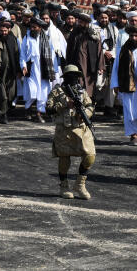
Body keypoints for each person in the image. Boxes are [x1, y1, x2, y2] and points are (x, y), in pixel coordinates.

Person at [46, 64, 96, 200]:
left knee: (90, 155)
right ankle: (64, 185)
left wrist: (84, 113)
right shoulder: (57, 92)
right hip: (64, 130)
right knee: (64, 159)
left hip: (81, 129)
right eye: (71, 76)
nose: (75, 79)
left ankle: (80, 184)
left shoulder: (82, 92)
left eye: (77, 76)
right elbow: (48, 108)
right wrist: (64, 105)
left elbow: (90, 106)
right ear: (66, 77)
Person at [20, 18, 57, 123]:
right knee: (32, 90)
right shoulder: (27, 37)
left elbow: (51, 53)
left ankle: (39, 113)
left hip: (44, 67)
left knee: (43, 91)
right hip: (31, 67)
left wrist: (52, 68)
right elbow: (22, 54)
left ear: (40, 28)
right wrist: (23, 66)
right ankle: (28, 108)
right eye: (31, 27)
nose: (32, 29)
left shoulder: (46, 38)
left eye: (35, 27)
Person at [65, 13, 104, 97]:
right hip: (75, 62)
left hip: (90, 64)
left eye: (82, 22)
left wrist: (100, 66)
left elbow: (99, 50)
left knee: (89, 84)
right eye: (79, 21)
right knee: (77, 83)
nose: (79, 23)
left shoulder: (94, 33)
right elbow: (69, 49)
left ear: (87, 23)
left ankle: (88, 103)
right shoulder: (75, 32)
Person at [0, 21, 20, 124]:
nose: (3, 32)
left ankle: (6, 111)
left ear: (9, 30)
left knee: (11, 93)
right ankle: (3, 114)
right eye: (1, 31)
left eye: (5, 30)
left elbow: (17, 54)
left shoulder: (13, 39)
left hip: (11, 70)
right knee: (1, 94)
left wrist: (18, 70)